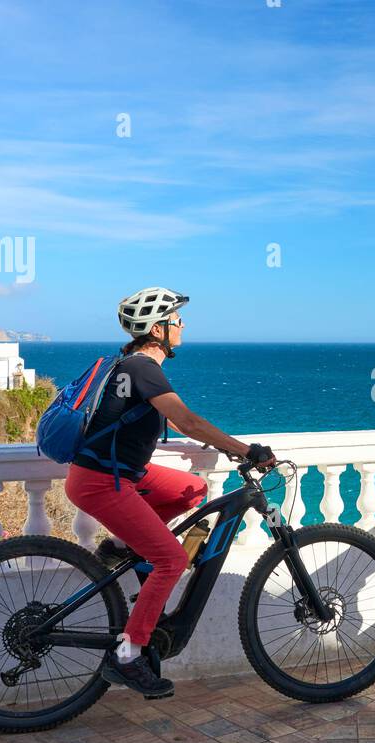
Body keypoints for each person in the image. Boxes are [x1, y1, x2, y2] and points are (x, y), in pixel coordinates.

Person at [64, 287, 275, 698]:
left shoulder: (131, 365)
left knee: (191, 488)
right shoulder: (142, 367)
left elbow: (177, 421)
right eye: (176, 320)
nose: (182, 325)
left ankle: (121, 546)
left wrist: (223, 445)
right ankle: (127, 656)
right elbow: (189, 422)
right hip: (103, 481)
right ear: (158, 329)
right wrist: (246, 450)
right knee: (172, 560)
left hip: (117, 472)